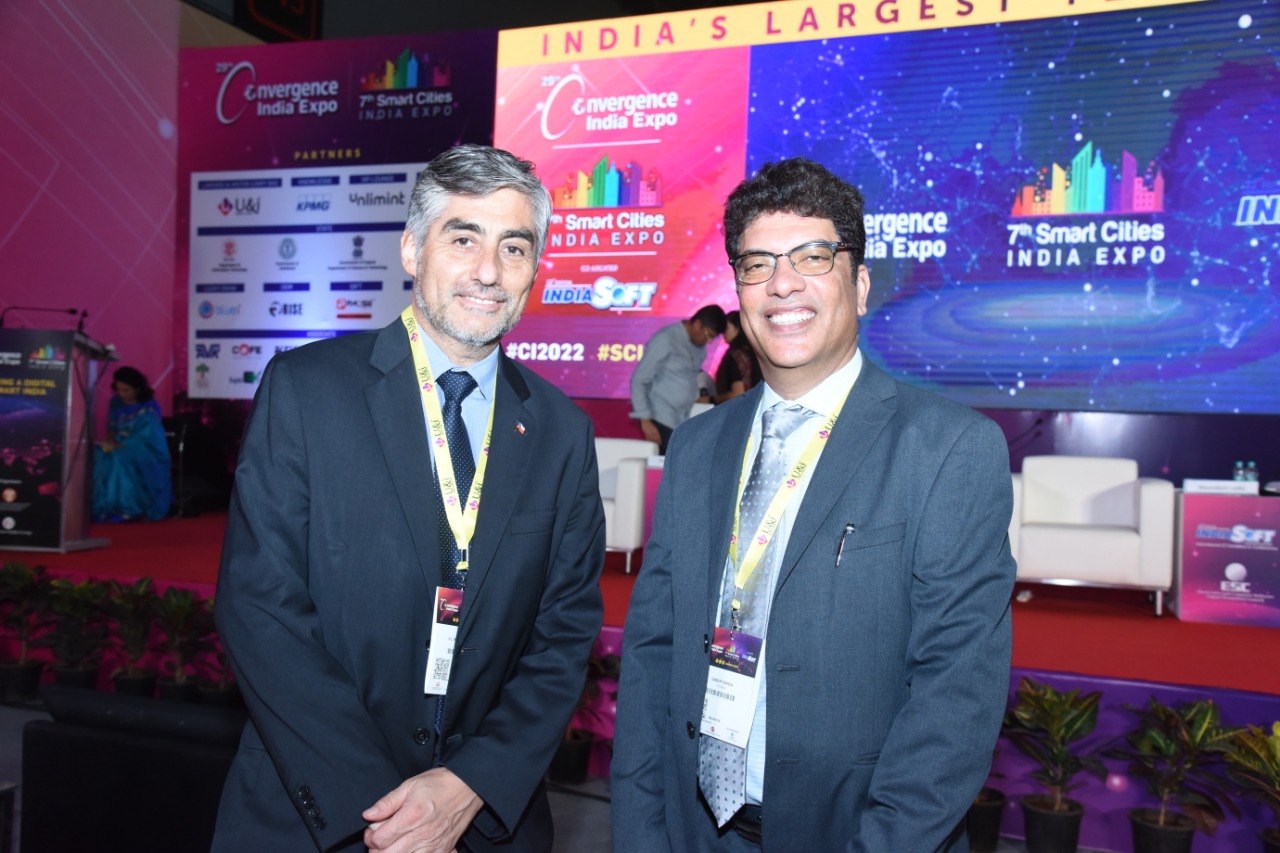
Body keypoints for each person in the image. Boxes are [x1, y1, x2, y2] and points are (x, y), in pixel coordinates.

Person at [611, 158, 1016, 851]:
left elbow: (955, 699)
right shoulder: (697, 446)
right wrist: (642, 836)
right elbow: (653, 655)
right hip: (693, 828)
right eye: (758, 264)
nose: (783, 283)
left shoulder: (948, 448)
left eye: (813, 256)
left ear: (860, 284)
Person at [212, 145, 606, 853]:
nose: (489, 271)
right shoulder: (306, 390)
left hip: (484, 823)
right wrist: (388, 814)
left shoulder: (561, 431)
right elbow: (260, 606)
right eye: (464, 239)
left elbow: (565, 634)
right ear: (411, 250)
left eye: (514, 247)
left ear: (534, 269)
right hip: (320, 816)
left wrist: (467, 785)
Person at [629, 304, 726, 454]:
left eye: (712, 338)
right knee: (664, 466)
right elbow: (639, 380)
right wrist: (645, 420)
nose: (709, 342)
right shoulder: (666, 339)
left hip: (682, 420)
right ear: (697, 324)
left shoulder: (698, 346)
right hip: (660, 419)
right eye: (708, 335)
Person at [91, 366, 171, 522]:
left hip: (147, 449)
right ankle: (104, 507)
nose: (121, 394)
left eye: (126, 390)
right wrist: (109, 441)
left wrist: (122, 445)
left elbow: (149, 436)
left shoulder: (149, 406)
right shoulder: (115, 402)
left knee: (118, 458)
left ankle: (127, 508)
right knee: (99, 454)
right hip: (119, 445)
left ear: (137, 389)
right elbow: (112, 429)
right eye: (118, 389)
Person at [713, 310, 761, 404]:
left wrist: (711, 399)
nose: (723, 333)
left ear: (738, 328)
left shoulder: (736, 355)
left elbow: (737, 393)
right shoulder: (755, 351)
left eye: (726, 328)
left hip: (739, 407)